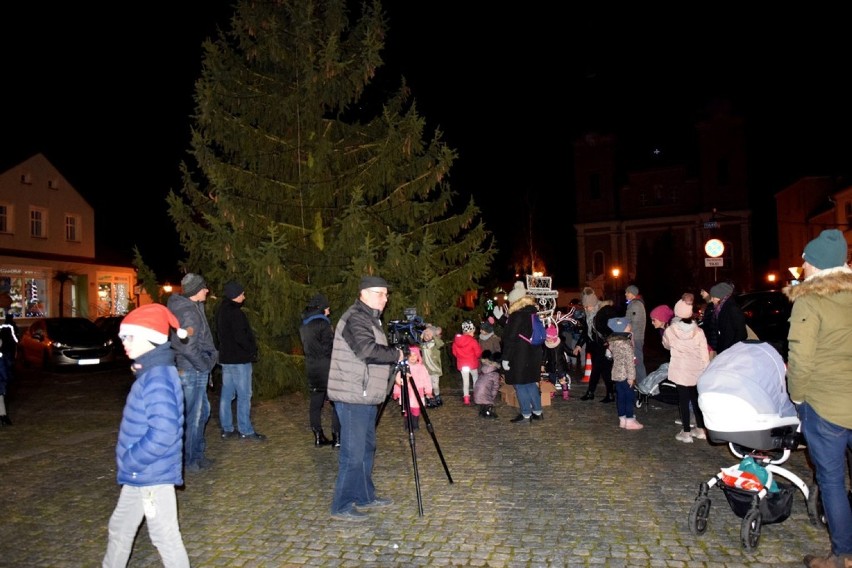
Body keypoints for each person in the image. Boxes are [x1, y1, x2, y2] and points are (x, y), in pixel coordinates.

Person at [102, 303, 190, 568]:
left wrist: (132, 459)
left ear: (151, 337)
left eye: (130, 336)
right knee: (120, 528)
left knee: (164, 536)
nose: (124, 343)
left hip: (150, 473)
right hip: (141, 474)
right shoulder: (150, 372)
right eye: (122, 337)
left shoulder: (157, 378)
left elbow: (164, 432)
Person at [784, 229, 852, 568]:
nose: (802, 264)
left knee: (832, 482)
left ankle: (842, 555)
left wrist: (797, 397)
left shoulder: (810, 300)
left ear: (817, 265)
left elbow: (800, 358)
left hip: (827, 407)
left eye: (806, 260)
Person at [326, 275, 404, 522]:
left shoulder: (370, 318)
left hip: (366, 395)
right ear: (364, 293)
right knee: (354, 452)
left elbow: (373, 358)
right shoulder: (355, 318)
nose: (385, 297)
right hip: (352, 396)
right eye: (380, 293)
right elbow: (367, 351)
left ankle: (364, 496)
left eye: (386, 293)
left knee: (367, 447)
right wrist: (398, 354)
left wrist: (394, 373)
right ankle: (342, 504)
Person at [168, 272, 218, 473]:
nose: (207, 290)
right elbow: (187, 346)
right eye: (204, 287)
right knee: (194, 417)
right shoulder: (189, 312)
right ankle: (191, 460)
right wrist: (204, 365)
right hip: (192, 371)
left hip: (192, 369)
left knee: (202, 412)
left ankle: (197, 454)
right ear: (196, 291)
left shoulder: (192, 307)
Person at [216, 280, 265, 442]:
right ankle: (245, 429)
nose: (244, 296)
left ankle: (227, 428)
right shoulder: (236, 313)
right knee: (244, 395)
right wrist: (251, 350)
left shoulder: (222, 311)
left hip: (226, 359)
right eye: (242, 293)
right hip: (239, 360)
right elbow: (241, 337)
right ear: (235, 295)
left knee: (227, 394)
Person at [662, 299, 710, 443]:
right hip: (696, 369)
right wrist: (706, 368)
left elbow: (666, 345)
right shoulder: (699, 331)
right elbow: (704, 352)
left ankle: (686, 432)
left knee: (683, 400)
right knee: (696, 399)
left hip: (680, 370)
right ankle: (701, 429)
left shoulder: (671, 330)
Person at [299, 292, 340, 447]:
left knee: (316, 403)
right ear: (322, 308)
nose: (329, 311)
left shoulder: (304, 324)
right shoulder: (323, 324)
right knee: (337, 401)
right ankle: (337, 437)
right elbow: (330, 348)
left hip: (312, 367)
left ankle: (318, 436)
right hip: (327, 367)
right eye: (328, 308)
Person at [501, 281, 544, 423]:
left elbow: (510, 338)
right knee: (531, 383)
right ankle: (538, 411)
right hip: (533, 354)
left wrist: (506, 358)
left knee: (520, 385)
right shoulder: (531, 312)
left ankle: (526, 413)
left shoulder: (517, 315)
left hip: (519, 356)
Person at [574, 289, 617, 403]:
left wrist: (609, 341)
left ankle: (604, 393)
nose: (586, 309)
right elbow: (586, 331)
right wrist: (579, 345)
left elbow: (611, 328)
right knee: (599, 370)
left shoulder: (604, 312)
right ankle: (597, 392)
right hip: (594, 346)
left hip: (604, 346)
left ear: (594, 304)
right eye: (585, 306)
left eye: (588, 306)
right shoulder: (588, 315)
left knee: (603, 370)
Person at [606, 317, 642, 430]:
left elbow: (609, 355)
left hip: (616, 374)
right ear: (623, 329)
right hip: (626, 375)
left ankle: (622, 419)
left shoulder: (613, 342)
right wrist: (631, 377)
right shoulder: (626, 344)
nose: (630, 326)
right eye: (628, 325)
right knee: (629, 397)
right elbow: (629, 363)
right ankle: (630, 420)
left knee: (620, 397)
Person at [391, 345, 432, 431]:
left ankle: (415, 424)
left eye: (415, 355)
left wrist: (428, 390)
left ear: (418, 356)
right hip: (407, 392)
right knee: (407, 409)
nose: (412, 357)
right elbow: (399, 380)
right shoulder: (404, 368)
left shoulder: (422, 367)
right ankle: (407, 424)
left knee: (416, 409)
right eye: (410, 355)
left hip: (418, 392)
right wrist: (397, 391)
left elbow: (427, 379)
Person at [703, 281, 746, 356]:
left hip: (730, 351)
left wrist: (731, 349)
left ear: (721, 296)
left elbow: (742, 333)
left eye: (713, 297)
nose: (712, 300)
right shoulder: (720, 308)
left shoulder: (732, 308)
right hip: (724, 349)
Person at [451, 320, 482, 406]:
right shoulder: (473, 341)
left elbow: (454, 352)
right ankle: (477, 396)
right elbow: (478, 352)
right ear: (470, 331)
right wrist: (477, 356)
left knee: (465, 381)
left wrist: (460, 357)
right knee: (475, 379)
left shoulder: (457, 341)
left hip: (462, 364)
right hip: (472, 364)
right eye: (473, 332)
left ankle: (466, 399)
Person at [624, 284, 647, 385]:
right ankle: (639, 383)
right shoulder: (634, 304)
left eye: (627, 292)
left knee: (637, 361)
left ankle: (643, 384)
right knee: (635, 361)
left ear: (632, 293)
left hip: (635, 337)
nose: (625, 294)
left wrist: (628, 334)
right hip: (634, 336)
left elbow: (635, 322)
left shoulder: (636, 305)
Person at [542, 324, 571, 400]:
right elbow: (544, 355)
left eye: (550, 338)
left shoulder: (560, 343)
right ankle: (552, 392)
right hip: (551, 366)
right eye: (547, 338)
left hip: (560, 365)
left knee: (562, 380)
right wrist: (542, 364)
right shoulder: (546, 345)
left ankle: (565, 393)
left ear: (554, 337)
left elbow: (567, 350)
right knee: (552, 381)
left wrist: (574, 352)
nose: (548, 340)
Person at [0, 313, 19, 426]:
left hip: (6, 348)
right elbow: (14, 336)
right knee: (1, 398)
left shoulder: (2, 326)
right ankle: (3, 417)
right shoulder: (11, 326)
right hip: (9, 347)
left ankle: (3, 417)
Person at [419, 324, 444, 408]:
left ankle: (437, 396)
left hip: (435, 369)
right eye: (426, 334)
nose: (427, 336)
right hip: (426, 369)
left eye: (429, 334)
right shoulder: (422, 345)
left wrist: (434, 337)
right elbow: (416, 345)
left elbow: (441, 344)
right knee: (427, 385)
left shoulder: (435, 344)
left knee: (435, 385)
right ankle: (428, 399)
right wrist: (421, 337)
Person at [472, 349, 501, 418]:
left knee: (484, 398)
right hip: (483, 393)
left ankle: (482, 411)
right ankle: (487, 412)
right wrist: (492, 397)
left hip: (476, 392)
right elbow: (495, 387)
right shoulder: (495, 374)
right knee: (488, 401)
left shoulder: (484, 368)